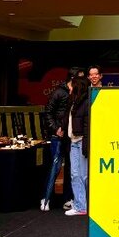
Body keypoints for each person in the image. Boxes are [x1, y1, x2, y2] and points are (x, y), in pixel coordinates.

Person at [40, 74, 74, 211]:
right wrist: (55, 129)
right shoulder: (59, 92)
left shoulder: (77, 94)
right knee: (56, 166)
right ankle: (45, 199)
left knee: (71, 169)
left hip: (71, 136)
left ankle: (68, 199)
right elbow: (48, 112)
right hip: (58, 136)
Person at [66, 76, 90, 216]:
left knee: (83, 175)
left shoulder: (85, 102)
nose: (69, 88)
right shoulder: (73, 102)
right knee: (75, 174)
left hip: (81, 141)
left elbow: (87, 126)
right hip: (74, 141)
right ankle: (80, 205)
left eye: (70, 86)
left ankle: (83, 205)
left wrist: (86, 145)